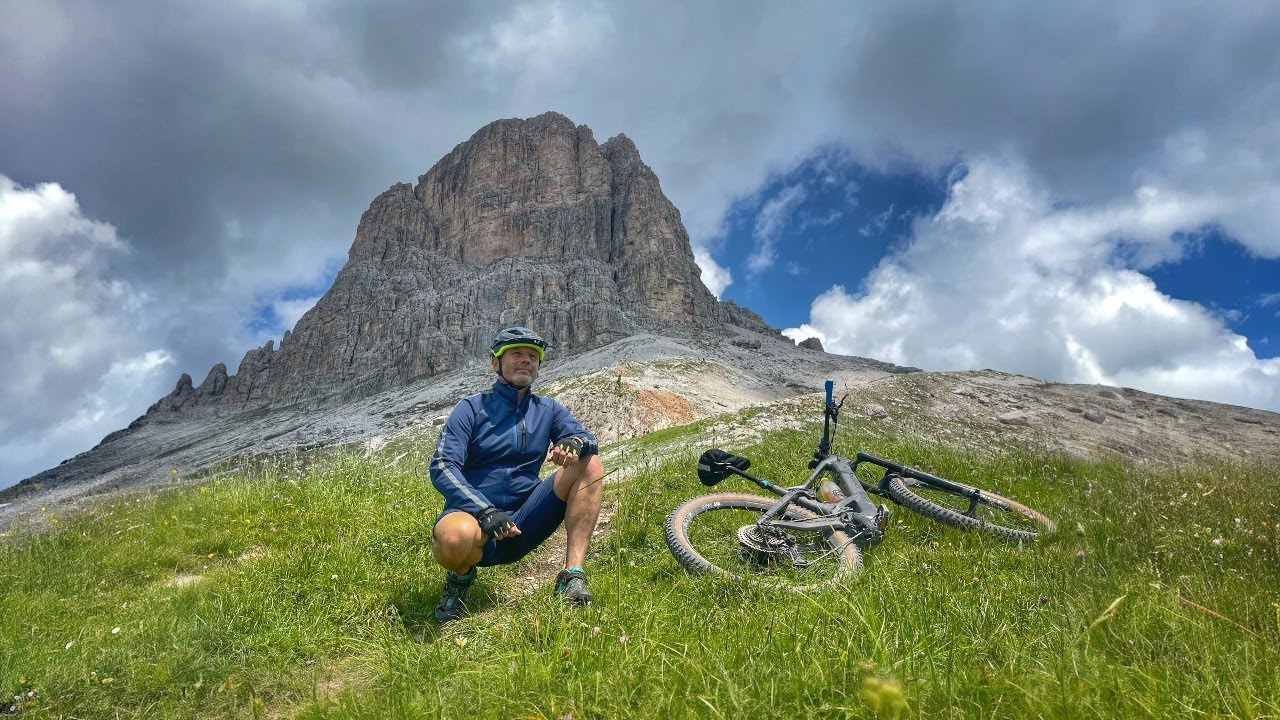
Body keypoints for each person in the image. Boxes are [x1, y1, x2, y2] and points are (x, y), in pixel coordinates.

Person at [428, 326, 605, 624]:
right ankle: (460, 577)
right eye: (516, 354)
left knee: (591, 464)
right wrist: (484, 511)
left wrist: (574, 442)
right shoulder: (470, 408)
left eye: (533, 356)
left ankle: (572, 576)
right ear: (495, 362)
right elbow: (442, 466)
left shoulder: (548, 409)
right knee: (454, 539)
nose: (526, 360)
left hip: (526, 519)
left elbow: (587, 438)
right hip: (477, 519)